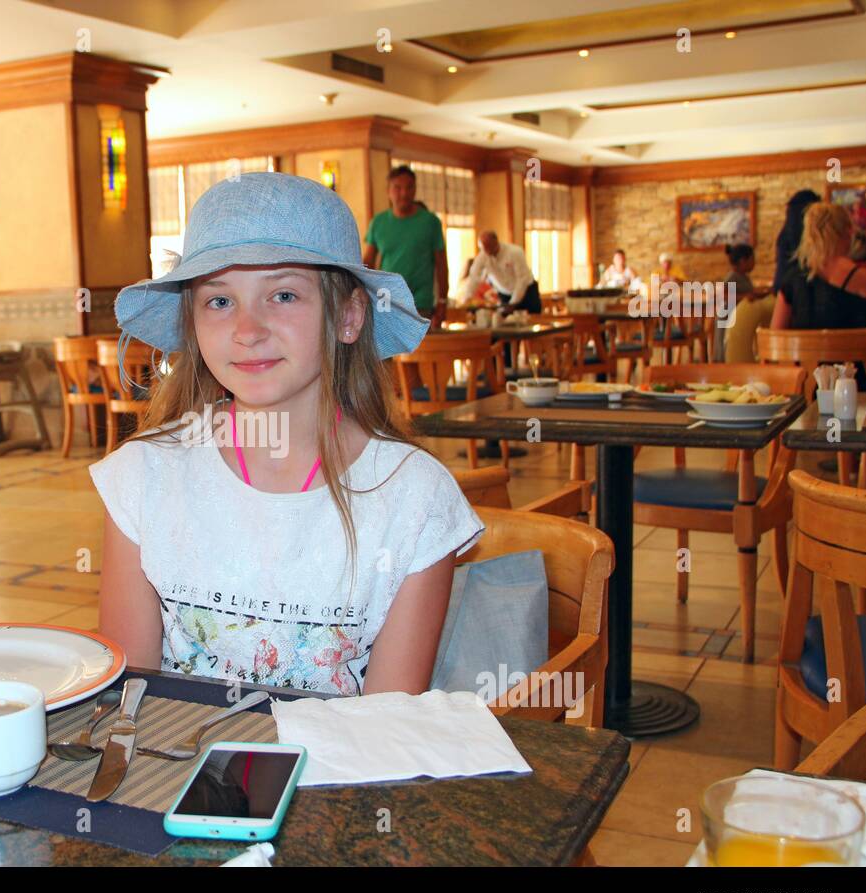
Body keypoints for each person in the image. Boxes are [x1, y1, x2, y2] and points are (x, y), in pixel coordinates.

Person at [94, 172, 484, 696]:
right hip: (176, 771)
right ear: (192, 321)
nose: (248, 330)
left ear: (348, 315)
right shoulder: (142, 476)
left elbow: (387, 722)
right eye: (220, 301)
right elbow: (130, 702)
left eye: (282, 294)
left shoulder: (415, 498)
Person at [772, 203, 866, 388]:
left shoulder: (792, 278)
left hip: (803, 393)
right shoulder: (863, 279)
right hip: (856, 392)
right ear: (848, 232)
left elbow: (776, 340)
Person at [362, 166, 448, 323]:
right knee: (389, 347)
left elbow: (441, 264)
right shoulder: (378, 222)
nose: (404, 193)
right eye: (397, 188)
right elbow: (368, 263)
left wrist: (443, 301)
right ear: (388, 191)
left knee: (421, 347)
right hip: (386, 300)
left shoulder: (430, 222)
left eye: (409, 187)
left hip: (420, 303)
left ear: (415, 190)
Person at [463, 230, 541, 314]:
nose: (486, 251)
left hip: (527, 291)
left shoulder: (514, 252)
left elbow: (522, 280)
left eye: (488, 247)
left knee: (532, 318)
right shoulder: (482, 257)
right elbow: (474, 278)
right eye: (483, 248)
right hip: (504, 293)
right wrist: (467, 298)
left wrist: (513, 303)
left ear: (496, 242)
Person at [773, 189, 820, 293]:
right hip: (794, 288)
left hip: (784, 286)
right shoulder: (800, 232)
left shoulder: (786, 231)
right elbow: (728, 304)